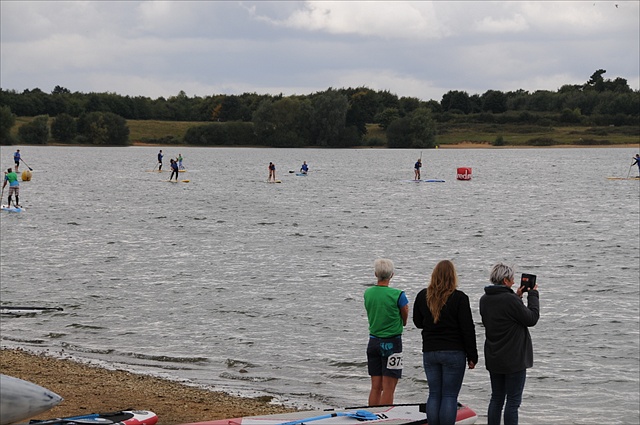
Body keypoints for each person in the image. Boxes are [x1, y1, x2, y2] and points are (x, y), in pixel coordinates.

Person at [413, 260, 478, 425]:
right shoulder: (459, 298)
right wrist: (472, 355)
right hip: (454, 351)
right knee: (449, 395)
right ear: (453, 277)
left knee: (434, 394)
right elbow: (467, 328)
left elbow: (418, 322)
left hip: (430, 351)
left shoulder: (422, 296)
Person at [479, 263, 539, 425]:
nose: (514, 281)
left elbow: (504, 316)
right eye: (512, 279)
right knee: (513, 401)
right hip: (514, 359)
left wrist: (518, 297)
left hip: (494, 356)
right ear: (505, 281)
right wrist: (533, 295)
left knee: (496, 398)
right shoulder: (510, 300)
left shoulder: (485, 299)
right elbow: (531, 318)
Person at [364, 258, 409, 406]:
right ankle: (384, 415)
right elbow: (405, 314)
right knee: (389, 388)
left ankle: (371, 414)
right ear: (392, 275)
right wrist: (402, 322)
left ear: (376, 274)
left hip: (373, 341)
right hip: (392, 342)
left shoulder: (368, 293)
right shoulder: (398, 295)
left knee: (375, 387)